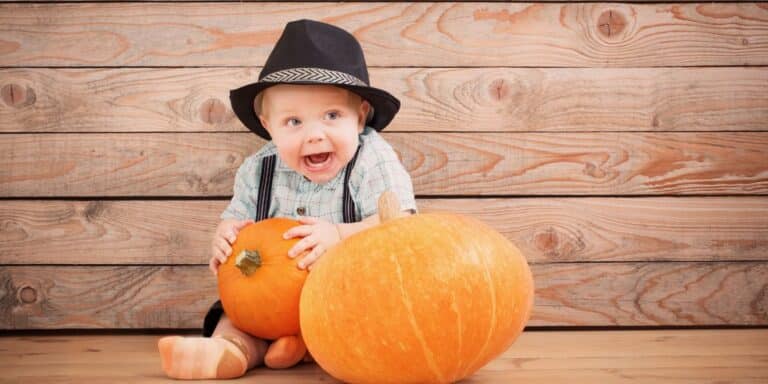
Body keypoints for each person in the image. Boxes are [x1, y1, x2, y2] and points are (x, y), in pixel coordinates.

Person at [157, 19, 417, 379]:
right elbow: (237, 222)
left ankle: (305, 346)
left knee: (375, 316)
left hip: (351, 293)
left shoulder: (372, 158)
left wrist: (339, 235)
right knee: (235, 315)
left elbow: (401, 226)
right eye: (293, 121)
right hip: (271, 302)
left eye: (331, 115)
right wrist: (225, 239)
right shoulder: (257, 169)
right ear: (269, 126)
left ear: (360, 118)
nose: (314, 135)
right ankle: (230, 350)